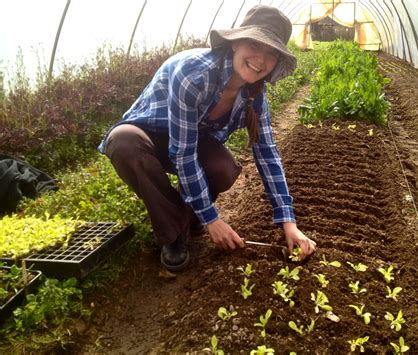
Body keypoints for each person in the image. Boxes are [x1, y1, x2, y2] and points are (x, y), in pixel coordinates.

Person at [98, 5, 316, 271]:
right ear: (235, 43)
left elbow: (267, 154)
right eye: (254, 44)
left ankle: (187, 217)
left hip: (191, 136)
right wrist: (213, 220)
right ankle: (174, 235)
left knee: (223, 169)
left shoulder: (255, 94)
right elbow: (182, 153)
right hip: (151, 134)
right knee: (123, 143)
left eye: (271, 53)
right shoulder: (194, 74)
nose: (261, 59)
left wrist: (289, 223)